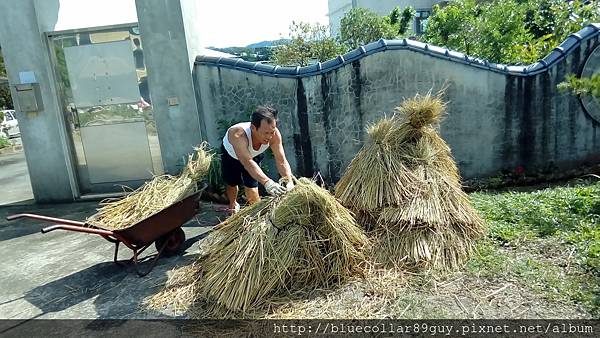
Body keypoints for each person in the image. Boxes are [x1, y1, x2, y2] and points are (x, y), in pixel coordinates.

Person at [221, 106, 294, 213]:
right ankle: (233, 204)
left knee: (252, 187)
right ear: (253, 128)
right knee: (232, 183)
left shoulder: (274, 134)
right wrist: (268, 183)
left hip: (253, 156)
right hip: (232, 155)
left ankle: (257, 217)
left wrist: (289, 181)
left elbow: (281, 160)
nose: (269, 136)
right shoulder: (237, 134)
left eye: (272, 132)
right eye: (265, 133)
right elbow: (247, 162)